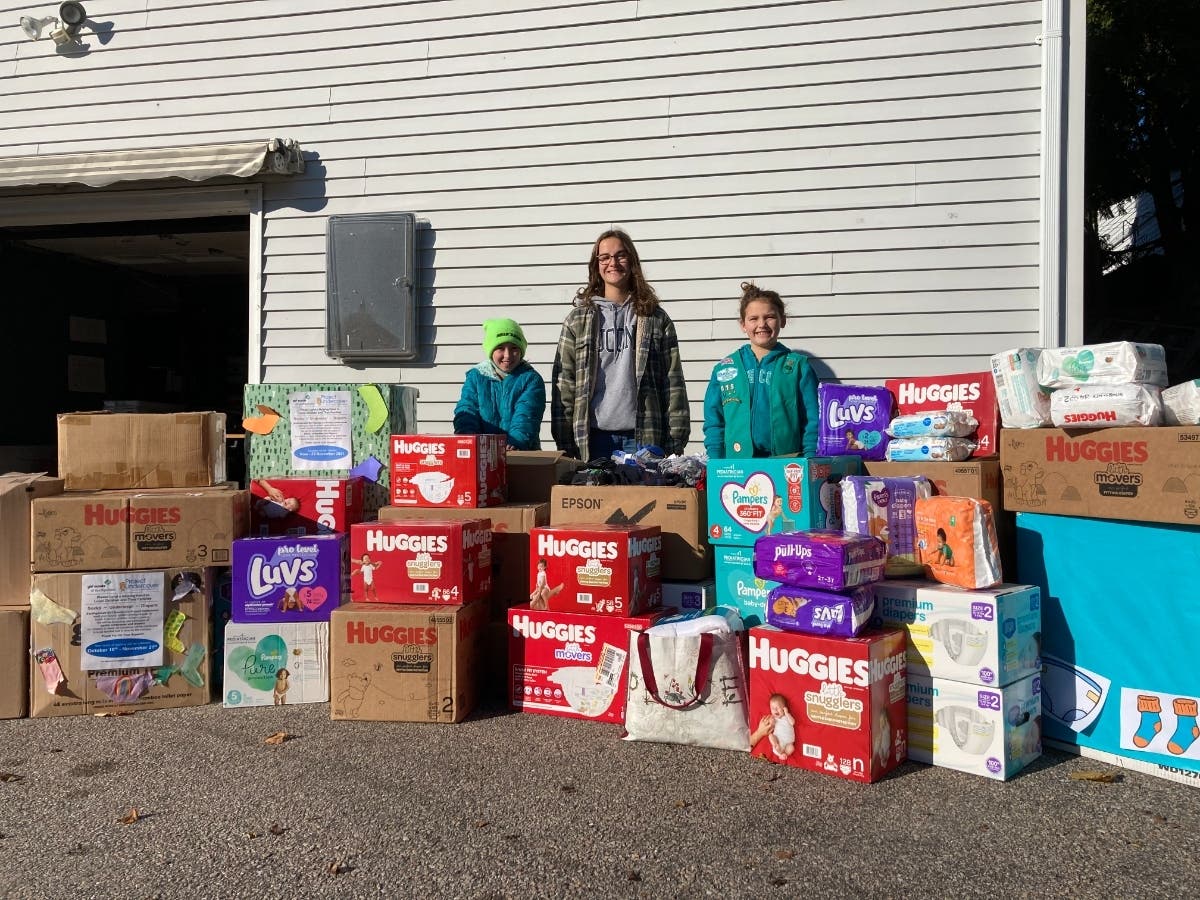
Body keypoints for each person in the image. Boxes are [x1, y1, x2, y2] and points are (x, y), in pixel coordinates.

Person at [551, 229, 690, 462]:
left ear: (632, 260)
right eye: (604, 257)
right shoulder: (577, 320)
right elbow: (565, 383)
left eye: (620, 255)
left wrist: (675, 440)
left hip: (644, 437)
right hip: (591, 439)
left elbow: (673, 382)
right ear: (596, 265)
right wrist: (565, 442)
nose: (612, 263)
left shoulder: (655, 318)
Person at [703, 281, 820, 458]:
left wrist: (810, 457)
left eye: (769, 317)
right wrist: (716, 460)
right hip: (737, 463)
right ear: (743, 324)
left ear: (782, 320)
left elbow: (813, 419)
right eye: (753, 318)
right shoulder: (725, 369)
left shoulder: (798, 367)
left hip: (786, 462)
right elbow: (714, 421)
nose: (762, 324)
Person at [453, 318, 545, 450]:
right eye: (500, 348)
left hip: (520, 452)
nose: (507, 355)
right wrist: (467, 439)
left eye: (514, 348)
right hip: (481, 453)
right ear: (491, 351)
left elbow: (526, 416)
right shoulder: (475, 377)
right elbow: (467, 408)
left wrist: (515, 443)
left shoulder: (531, 379)